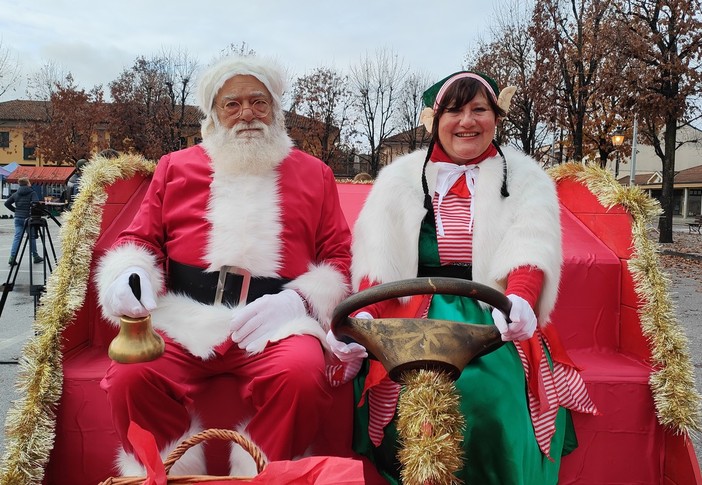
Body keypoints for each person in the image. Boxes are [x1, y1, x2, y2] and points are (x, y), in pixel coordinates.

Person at [95, 55, 353, 476]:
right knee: (130, 377)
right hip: (183, 316)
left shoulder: (316, 174)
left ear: (276, 109)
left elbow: (339, 256)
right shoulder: (175, 167)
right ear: (213, 114)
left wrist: (300, 302)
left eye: (259, 101)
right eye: (232, 104)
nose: (247, 113)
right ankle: (161, 473)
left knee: (303, 375)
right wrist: (129, 270)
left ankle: (263, 474)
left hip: (274, 321)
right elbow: (140, 239)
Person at [345, 71, 598, 484]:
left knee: (492, 400)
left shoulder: (525, 177)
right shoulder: (399, 179)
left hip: (493, 312)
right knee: (407, 400)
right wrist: (368, 314)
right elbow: (378, 257)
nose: (467, 121)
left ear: (496, 117)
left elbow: (530, 247)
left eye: (479, 109)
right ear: (434, 120)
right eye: (455, 110)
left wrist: (519, 301)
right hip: (413, 310)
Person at [5, 177, 43, 265]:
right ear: (27, 183)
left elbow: (7, 203)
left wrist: (15, 210)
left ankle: (12, 257)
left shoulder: (16, 193)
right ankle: (35, 256)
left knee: (17, 237)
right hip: (28, 218)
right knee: (32, 237)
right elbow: (35, 204)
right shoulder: (32, 193)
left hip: (18, 218)